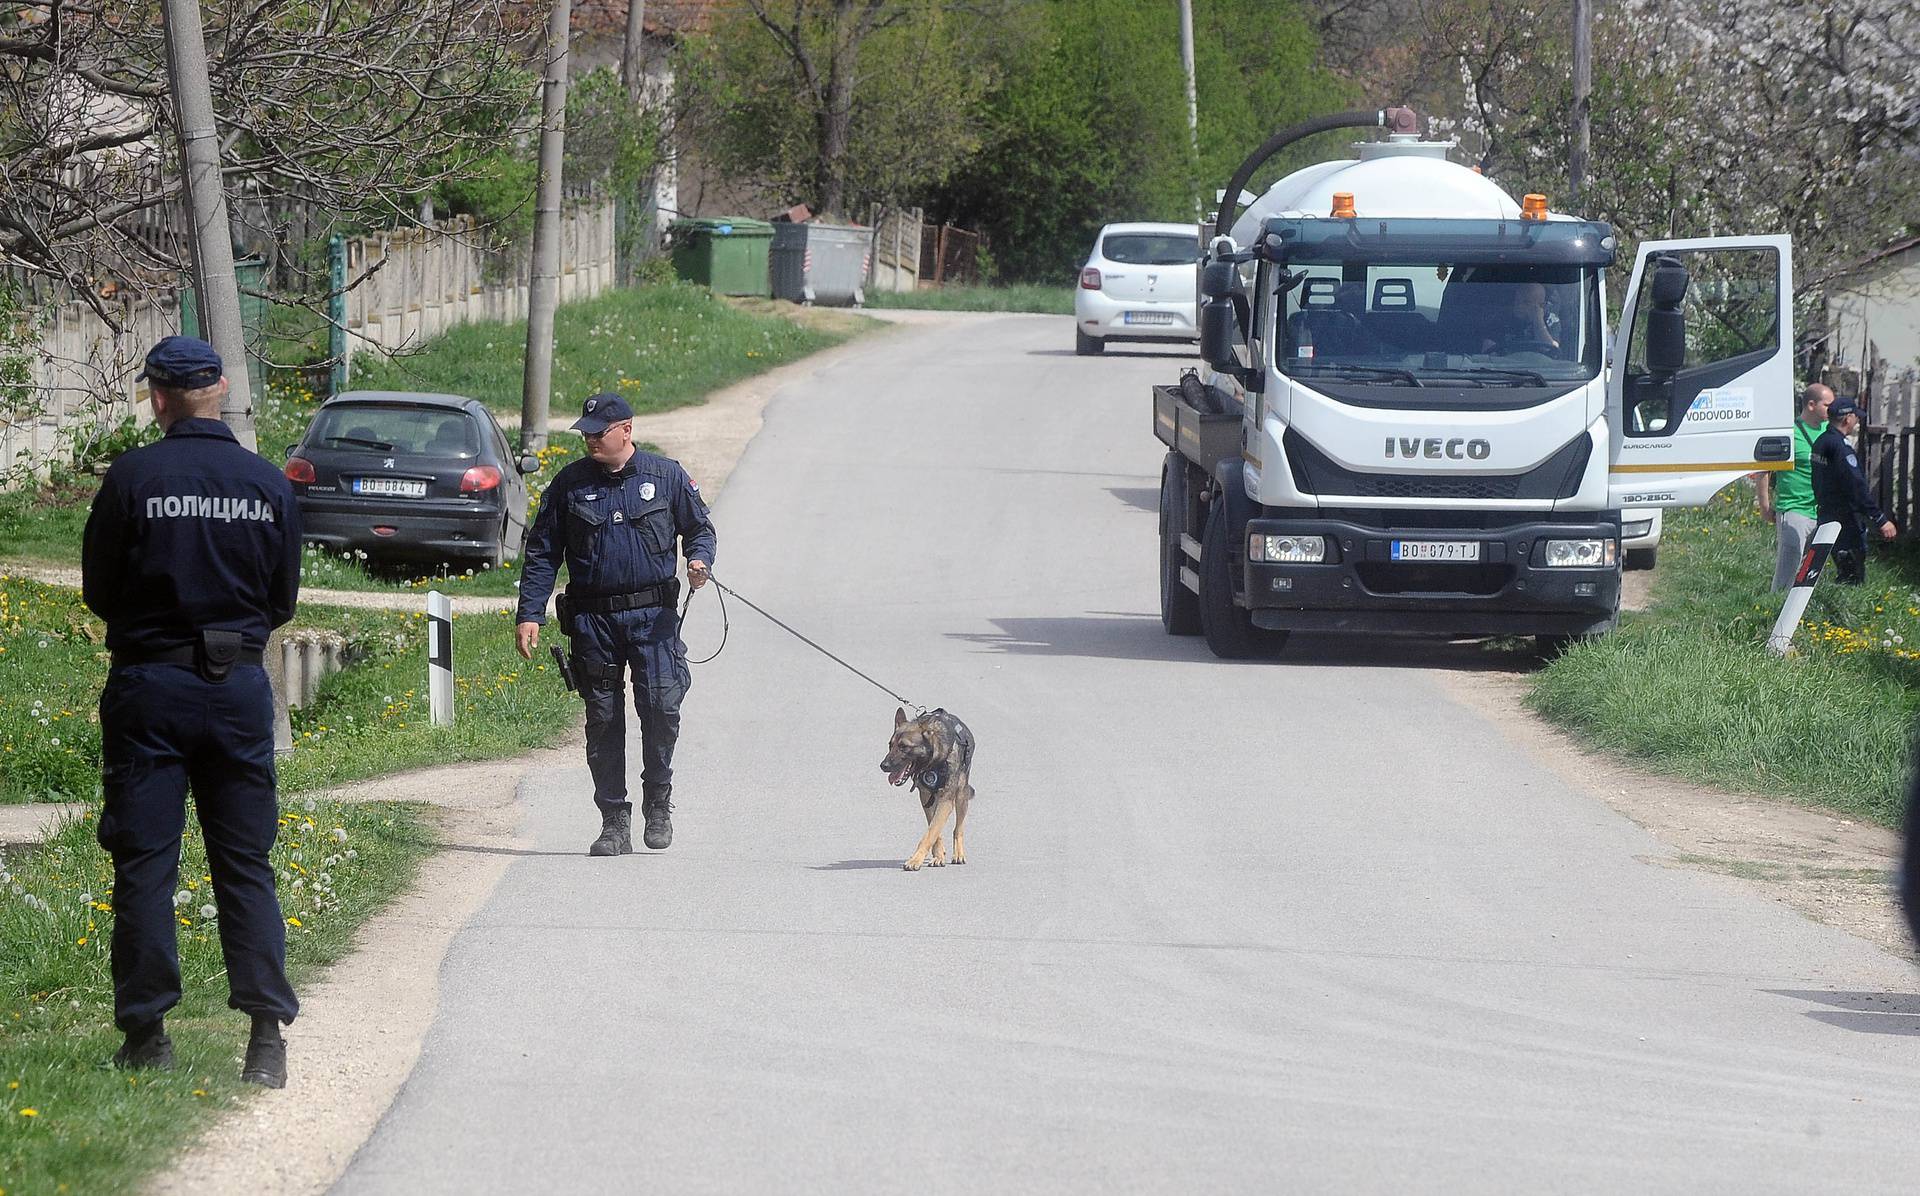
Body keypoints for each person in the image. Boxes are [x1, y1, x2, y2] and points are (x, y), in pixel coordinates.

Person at [80, 336, 302, 1088]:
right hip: (238, 687)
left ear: (160, 396)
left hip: (151, 687)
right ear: (218, 391)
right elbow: (282, 601)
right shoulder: (267, 482)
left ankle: (146, 1036)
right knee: (245, 864)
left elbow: (100, 591)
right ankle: (265, 1040)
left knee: (146, 864)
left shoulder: (134, 479)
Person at [515, 393, 715, 856]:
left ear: (626, 429)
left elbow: (700, 529)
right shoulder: (568, 485)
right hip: (593, 621)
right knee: (603, 719)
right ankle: (613, 822)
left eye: (598, 432)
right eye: (585, 432)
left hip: (654, 619)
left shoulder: (665, 477)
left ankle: (658, 803)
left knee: (662, 708)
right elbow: (543, 552)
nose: (589, 439)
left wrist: (699, 560)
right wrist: (530, 612)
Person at [1810, 395, 1897, 585]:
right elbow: (1855, 486)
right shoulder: (1841, 448)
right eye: (1855, 416)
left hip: (1826, 513)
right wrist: (1880, 518)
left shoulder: (1821, 442)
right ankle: (1843, 611)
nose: (1857, 420)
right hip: (1846, 520)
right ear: (1847, 418)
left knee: (1842, 568)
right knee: (1852, 575)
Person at [1757, 383, 1834, 590]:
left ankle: (1803, 615)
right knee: (1788, 568)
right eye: (1828, 405)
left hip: (1822, 511)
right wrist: (1765, 507)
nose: (1832, 410)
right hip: (1794, 509)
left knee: (1812, 572)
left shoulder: (1830, 432)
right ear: (1811, 405)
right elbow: (1765, 469)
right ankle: (1775, 610)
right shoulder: (1790, 433)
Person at [1483, 280, 1559, 354]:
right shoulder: (1500, 320)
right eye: (1527, 303)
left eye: (1540, 305)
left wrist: (1538, 322)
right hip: (1508, 365)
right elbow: (1488, 350)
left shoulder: (1551, 321)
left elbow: (1552, 351)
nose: (1518, 305)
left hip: (1543, 366)